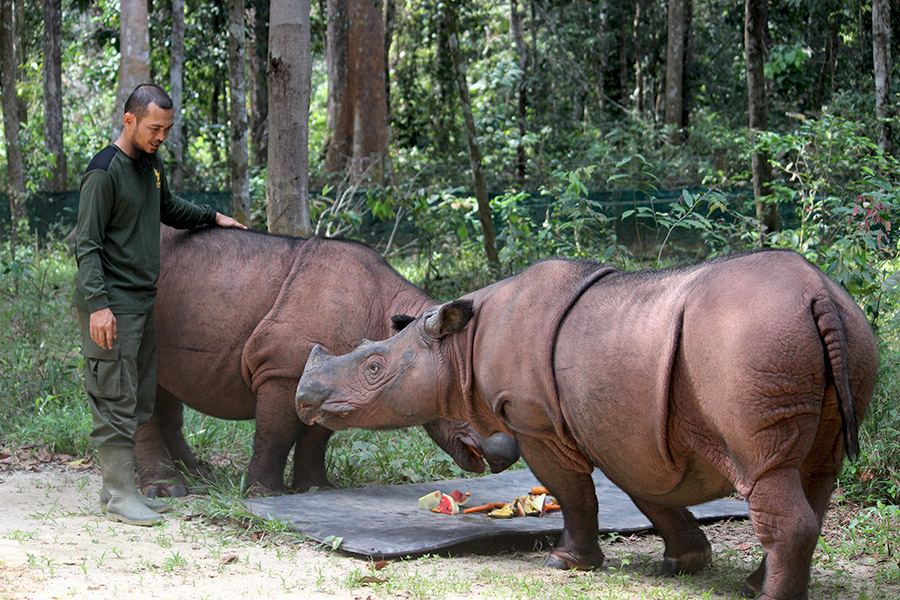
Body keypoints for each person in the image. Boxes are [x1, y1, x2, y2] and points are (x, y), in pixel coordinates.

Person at [73, 83, 247, 526]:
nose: (160, 137)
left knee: (137, 395)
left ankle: (122, 490)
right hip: (110, 303)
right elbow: (87, 245)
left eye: (166, 129)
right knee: (113, 395)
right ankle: (118, 494)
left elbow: (167, 207)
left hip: (141, 301)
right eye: (154, 128)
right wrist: (97, 305)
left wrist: (212, 217)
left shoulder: (149, 165)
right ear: (129, 120)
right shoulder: (103, 171)